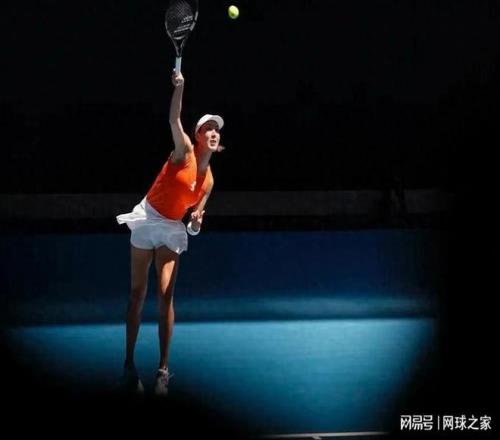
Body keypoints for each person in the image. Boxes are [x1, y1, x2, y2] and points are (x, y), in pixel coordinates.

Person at [116, 70, 224, 396]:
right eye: (208, 128)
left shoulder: (209, 182)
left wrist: (196, 224)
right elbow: (173, 118)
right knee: (137, 295)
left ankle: (163, 371)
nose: (214, 132)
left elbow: (193, 225)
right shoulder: (184, 150)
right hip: (147, 217)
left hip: (172, 228)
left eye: (217, 129)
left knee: (165, 295)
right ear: (198, 135)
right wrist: (180, 87)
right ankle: (129, 364)